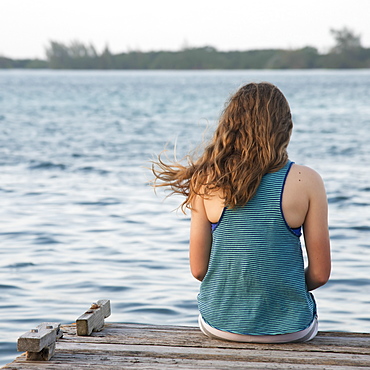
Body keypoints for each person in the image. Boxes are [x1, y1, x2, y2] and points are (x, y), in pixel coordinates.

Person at [152, 82, 331, 343]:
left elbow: (199, 270)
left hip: (218, 324)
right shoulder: (307, 180)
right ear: (285, 128)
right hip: (291, 329)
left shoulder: (206, 180)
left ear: (230, 126)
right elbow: (320, 274)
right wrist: (282, 288)